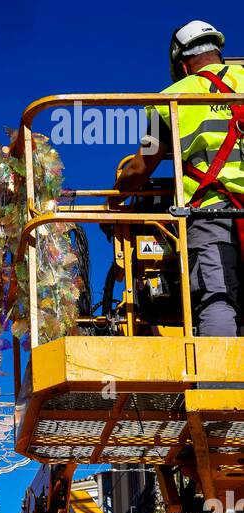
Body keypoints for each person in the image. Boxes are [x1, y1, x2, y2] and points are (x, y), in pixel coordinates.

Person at [115, 22, 244, 336]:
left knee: (218, 299)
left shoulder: (172, 98)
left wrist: (115, 196)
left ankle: (221, 385)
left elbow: (142, 167)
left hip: (212, 213)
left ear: (183, 64)